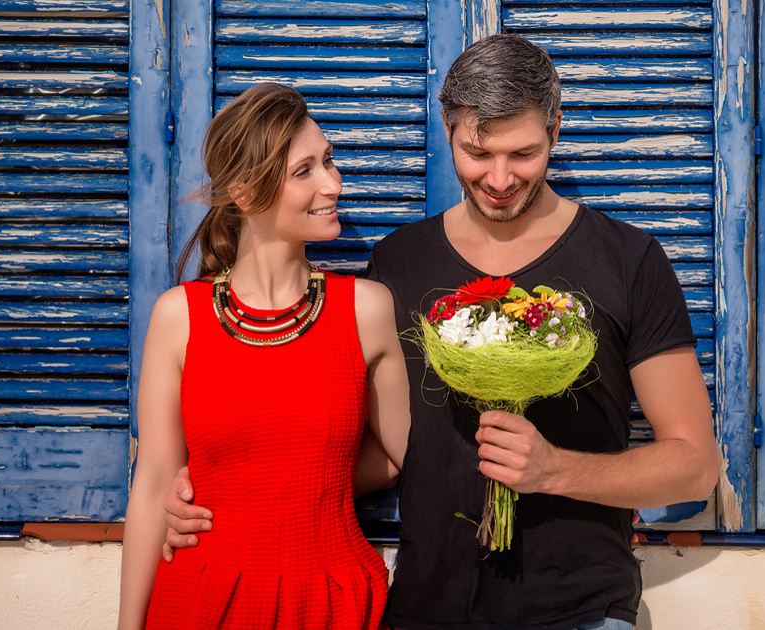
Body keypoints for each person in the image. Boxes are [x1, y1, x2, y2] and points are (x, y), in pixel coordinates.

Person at [162, 35, 718, 630]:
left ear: (555, 130)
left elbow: (694, 463)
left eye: (523, 154)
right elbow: (382, 454)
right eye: (478, 153)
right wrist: (223, 491)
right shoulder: (397, 265)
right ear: (447, 129)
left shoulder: (628, 260)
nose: (500, 178)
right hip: (426, 610)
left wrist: (555, 469)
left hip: (580, 611)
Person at [117, 83, 411, 630]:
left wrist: (287, 488)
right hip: (202, 599)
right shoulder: (178, 317)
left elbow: (404, 458)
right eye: (305, 171)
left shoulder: (366, 310)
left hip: (331, 598)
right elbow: (155, 481)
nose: (333, 183)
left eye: (328, 160)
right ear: (247, 194)